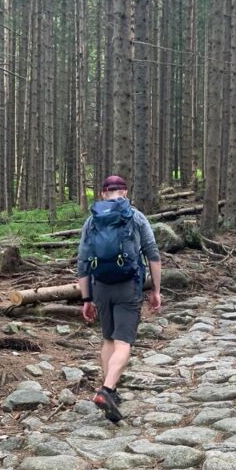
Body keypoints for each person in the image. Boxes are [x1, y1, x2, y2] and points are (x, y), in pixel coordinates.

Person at [77, 175, 162, 422]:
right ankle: (108, 389)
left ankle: (110, 388)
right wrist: (156, 289)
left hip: (101, 286)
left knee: (108, 340)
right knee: (124, 342)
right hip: (128, 286)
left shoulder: (92, 221)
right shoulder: (135, 217)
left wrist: (86, 298)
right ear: (124, 192)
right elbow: (152, 254)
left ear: (104, 193)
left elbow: (82, 261)